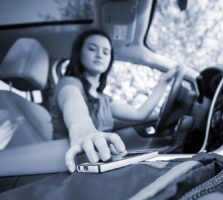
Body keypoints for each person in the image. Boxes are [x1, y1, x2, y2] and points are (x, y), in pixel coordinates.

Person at [51, 29, 177, 173]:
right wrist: (83, 131)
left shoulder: (104, 99)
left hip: (99, 163)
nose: (99, 55)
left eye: (106, 52)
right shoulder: (69, 83)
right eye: (92, 49)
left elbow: (140, 114)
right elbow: (72, 102)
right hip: (71, 166)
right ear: (79, 53)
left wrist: (163, 83)